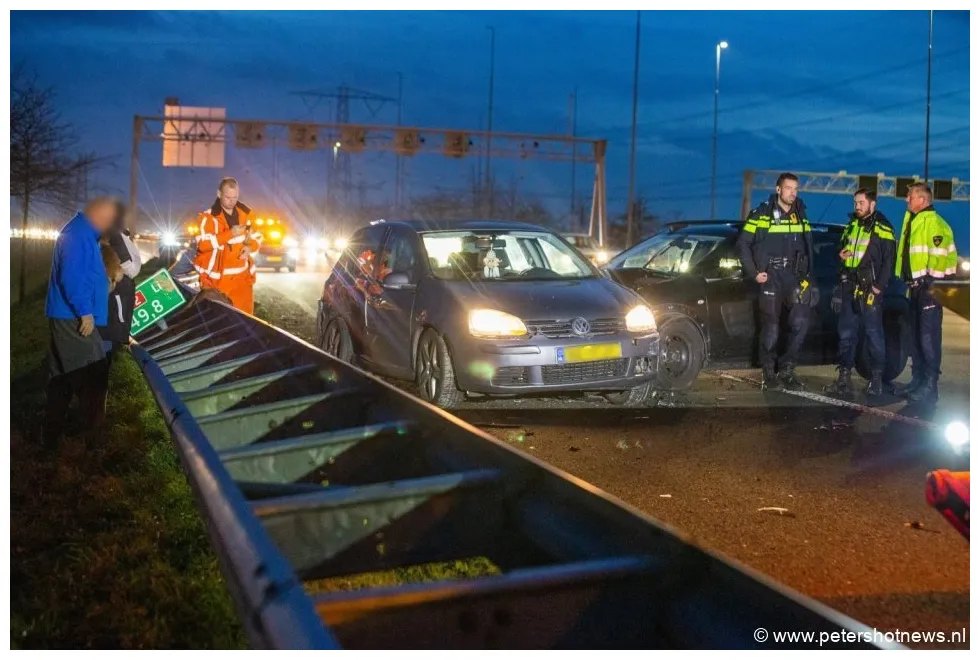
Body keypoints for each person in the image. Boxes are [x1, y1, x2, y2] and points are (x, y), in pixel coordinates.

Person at [43, 197, 117, 446]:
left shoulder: (83, 232)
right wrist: (85, 312)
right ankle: (94, 444)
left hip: (67, 314)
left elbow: (84, 274)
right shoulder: (78, 235)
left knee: (61, 379)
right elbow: (71, 277)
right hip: (73, 317)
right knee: (94, 374)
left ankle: (52, 436)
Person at [736, 172, 815, 391]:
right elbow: (742, 245)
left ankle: (788, 370)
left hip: (794, 278)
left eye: (796, 189)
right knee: (770, 327)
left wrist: (809, 278)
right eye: (789, 188)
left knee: (800, 322)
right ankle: (769, 373)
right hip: (771, 278)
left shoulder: (800, 214)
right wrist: (754, 273)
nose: (793, 193)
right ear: (778, 189)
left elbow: (809, 248)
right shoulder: (761, 214)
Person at [824, 189, 896, 398]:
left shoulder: (884, 228)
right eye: (855, 202)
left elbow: (889, 261)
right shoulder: (852, 225)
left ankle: (876, 380)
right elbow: (842, 249)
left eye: (861, 203)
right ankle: (844, 379)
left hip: (870, 290)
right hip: (850, 288)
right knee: (846, 335)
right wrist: (840, 254)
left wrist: (878, 287)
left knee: (874, 335)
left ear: (873, 204)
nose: (857, 206)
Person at [892, 182, 958, 404]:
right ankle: (917, 380)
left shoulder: (935, 225)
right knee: (915, 337)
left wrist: (930, 286)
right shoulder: (914, 221)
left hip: (929, 289)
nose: (906, 199)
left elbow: (939, 260)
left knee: (928, 338)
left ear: (922, 199)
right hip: (915, 288)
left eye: (910, 196)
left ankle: (930, 386)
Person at [192, 177, 263, 313]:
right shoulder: (207, 218)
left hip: (242, 281)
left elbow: (257, 237)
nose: (232, 201)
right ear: (219, 194)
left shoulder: (247, 214)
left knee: (245, 322)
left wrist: (250, 247)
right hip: (217, 283)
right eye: (228, 197)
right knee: (221, 324)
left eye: (235, 197)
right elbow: (203, 245)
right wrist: (229, 234)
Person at [97, 201, 142, 363]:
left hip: (111, 303)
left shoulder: (113, 235)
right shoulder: (116, 237)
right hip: (114, 305)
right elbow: (132, 268)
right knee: (108, 344)